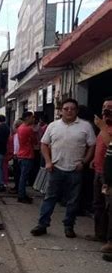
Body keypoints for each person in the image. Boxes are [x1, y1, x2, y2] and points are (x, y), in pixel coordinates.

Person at [31, 98, 96, 238]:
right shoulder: (53, 126)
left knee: (73, 201)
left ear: (76, 111)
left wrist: (84, 162)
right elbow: (43, 144)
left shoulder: (85, 126)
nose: (69, 111)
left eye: (72, 109)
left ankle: (69, 226)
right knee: (49, 198)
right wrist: (48, 162)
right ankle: (42, 225)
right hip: (56, 168)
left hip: (76, 169)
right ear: (61, 111)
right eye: (66, 109)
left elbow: (92, 146)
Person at [87, 98, 112, 243]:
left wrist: (102, 127)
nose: (106, 109)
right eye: (104, 106)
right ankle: (99, 234)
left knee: (109, 207)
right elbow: (101, 146)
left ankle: (110, 240)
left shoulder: (104, 127)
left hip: (109, 174)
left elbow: (111, 145)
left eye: (109, 107)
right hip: (98, 170)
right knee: (98, 204)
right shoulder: (104, 126)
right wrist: (94, 160)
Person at [17, 112, 37, 204]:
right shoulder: (29, 129)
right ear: (28, 118)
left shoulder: (20, 128)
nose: (33, 119)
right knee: (24, 177)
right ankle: (21, 196)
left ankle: (22, 194)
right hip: (27, 155)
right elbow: (35, 141)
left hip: (21, 154)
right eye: (32, 117)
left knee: (22, 176)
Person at [9, 119, 23, 194]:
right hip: (20, 155)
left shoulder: (18, 135)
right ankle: (17, 187)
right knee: (17, 173)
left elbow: (17, 146)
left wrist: (15, 154)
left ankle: (18, 188)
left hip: (18, 156)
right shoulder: (18, 134)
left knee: (18, 173)